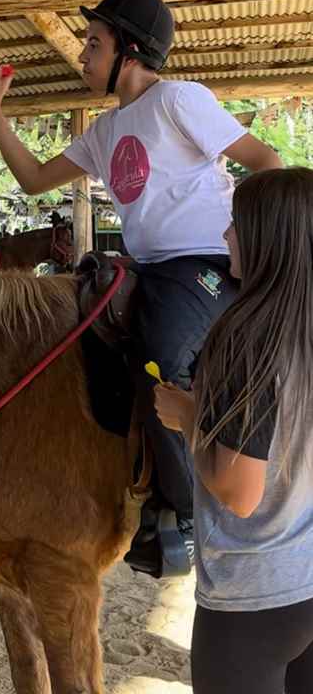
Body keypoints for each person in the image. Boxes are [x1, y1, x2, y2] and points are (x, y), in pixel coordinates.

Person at [0, 0, 282, 577]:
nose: (83, 54)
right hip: (150, 267)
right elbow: (36, 178)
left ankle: (183, 511)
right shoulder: (104, 131)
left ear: (132, 51)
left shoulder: (179, 100)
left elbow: (266, 162)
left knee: (162, 349)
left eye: (94, 42)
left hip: (205, 264)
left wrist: (250, 245)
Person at [154, 168, 313, 693]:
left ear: (269, 237)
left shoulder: (246, 338)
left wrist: (189, 419)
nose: (225, 238)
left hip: (255, 593)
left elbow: (240, 492)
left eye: (235, 225)